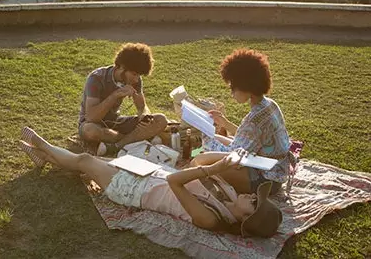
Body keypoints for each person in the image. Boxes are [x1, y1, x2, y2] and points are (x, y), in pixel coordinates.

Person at [19, 127, 283, 238]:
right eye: (256, 197)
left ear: (245, 220)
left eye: (254, 204)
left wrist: (213, 169)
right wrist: (230, 158)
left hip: (136, 190)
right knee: (86, 165)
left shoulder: (211, 219)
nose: (251, 196)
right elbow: (196, 162)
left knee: (86, 161)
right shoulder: (229, 191)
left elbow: (175, 180)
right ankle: (43, 155)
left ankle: (42, 145)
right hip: (148, 171)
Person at [199, 49, 294, 195]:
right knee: (216, 139)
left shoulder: (254, 120)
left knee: (202, 161)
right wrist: (225, 123)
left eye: (233, 87)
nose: (231, 93)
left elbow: (233, 157)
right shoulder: (269, 104)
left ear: (246, 86)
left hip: (265, 182)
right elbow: (250, 139)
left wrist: (204, 133)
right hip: (276, 171)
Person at [78, 43, 167, 156]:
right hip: (93, 124)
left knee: (161, 120)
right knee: (90, 131)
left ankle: (116, 146)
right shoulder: (96, 78)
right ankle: (132, 141)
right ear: (121, 67)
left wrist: (144, 116)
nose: (136, 79)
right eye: (134, 74)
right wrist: (116, 95)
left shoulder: (135, 80)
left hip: (116, 121)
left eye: (138, 75)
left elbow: (142, 107)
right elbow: (91, 117)